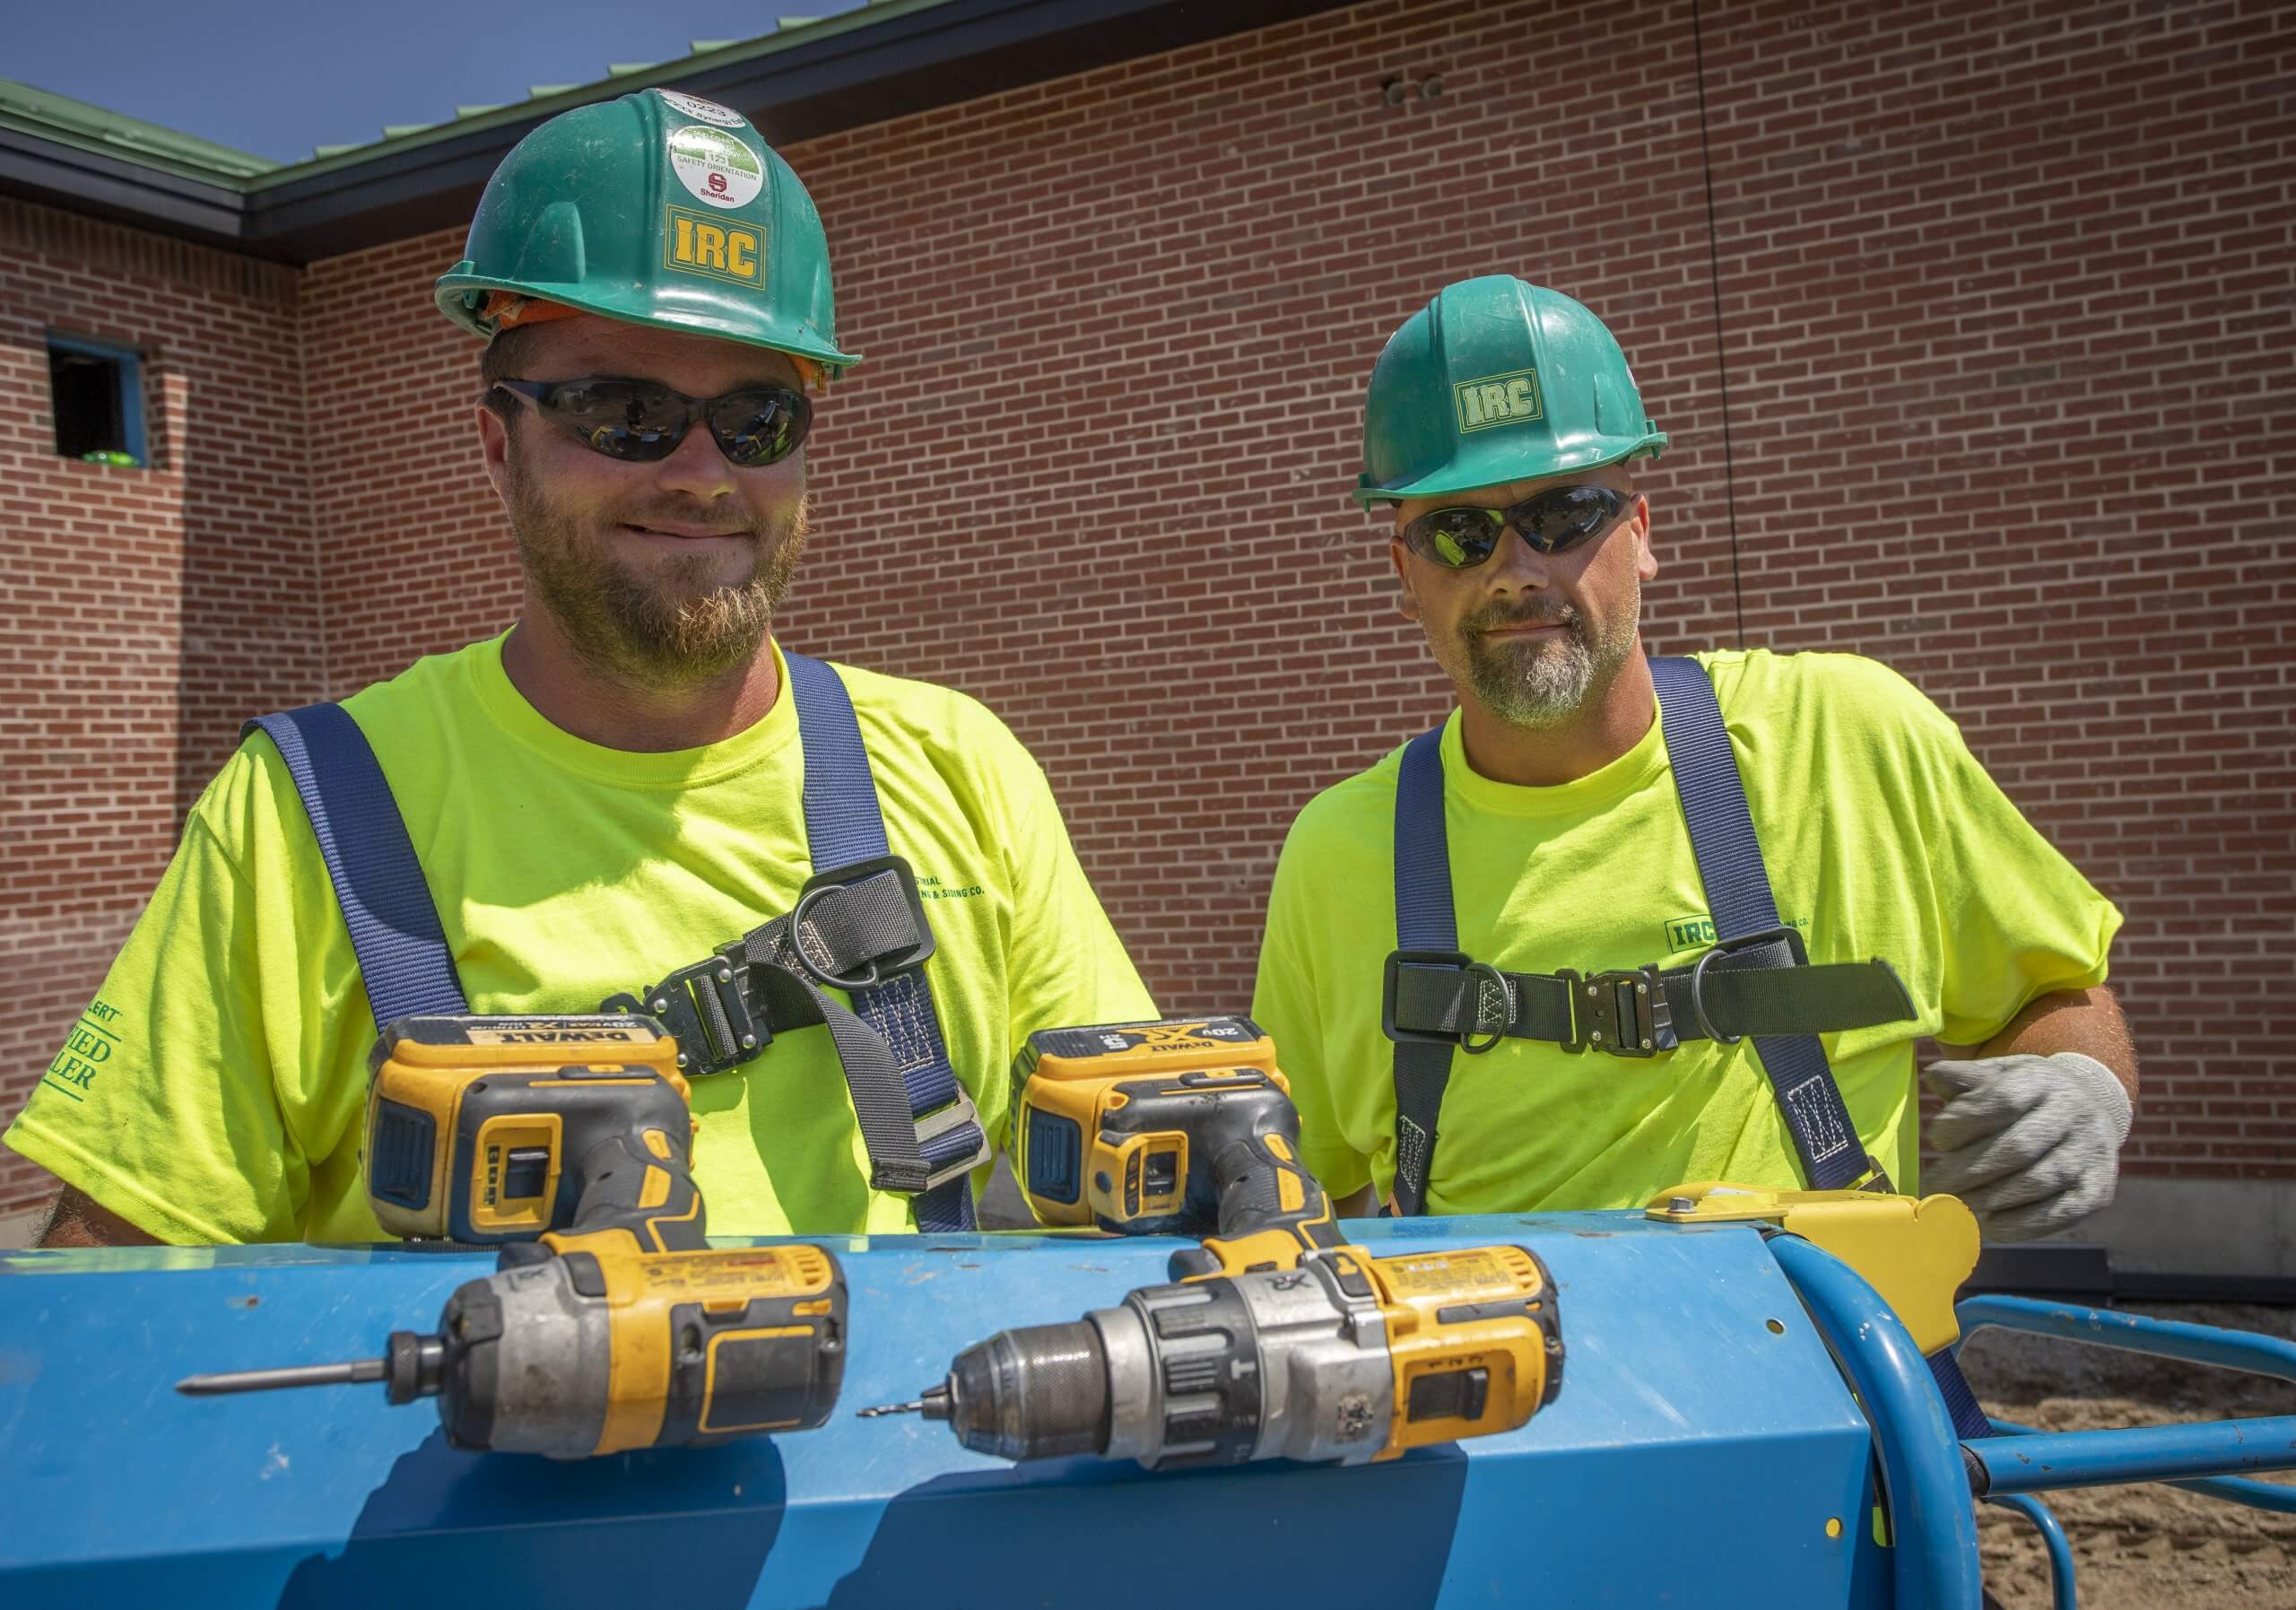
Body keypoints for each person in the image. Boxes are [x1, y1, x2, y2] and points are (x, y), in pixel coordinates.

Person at [9, 88, 1152, 1246]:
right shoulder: (317, 811)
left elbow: (1119, 1171)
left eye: (759, 419)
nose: (703, 473)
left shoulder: (959, 763)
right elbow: (116, 1285)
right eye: (625, 412)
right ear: (499, 444)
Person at [1251, 275, 2135, 1240]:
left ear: (1639, 531)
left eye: (1563, 514)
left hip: (1822, 1370)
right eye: (1457, 532)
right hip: (1505, 1385)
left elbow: (2053, 989)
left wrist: (2079, 1080)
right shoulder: (1339, 855)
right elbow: (1307, 1189)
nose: (1513, 568)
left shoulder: (1846, 740)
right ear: (1403, 575)